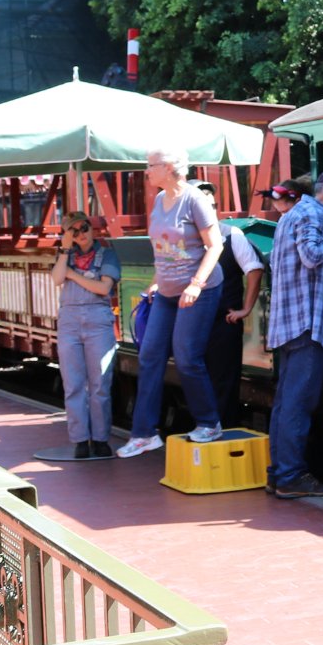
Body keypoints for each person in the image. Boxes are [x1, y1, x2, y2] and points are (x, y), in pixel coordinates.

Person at [117, 147, 227, 457]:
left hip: (199, 290)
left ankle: (209, 423)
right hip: (166, 292)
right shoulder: (158, 201)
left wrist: (196, 284)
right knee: (149, 355)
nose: (146, 171)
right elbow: (164, 248)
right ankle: (144, 434)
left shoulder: (195, 199)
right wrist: (156, 279)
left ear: (169, 168)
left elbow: (215, 245)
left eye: (150, 165)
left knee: (186, 357)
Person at [264, 169, 323, 498]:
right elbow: (312, 256)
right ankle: (290, 476)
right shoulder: (315, 214)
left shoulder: (294, 212)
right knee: (298, 403)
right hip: (305, 322)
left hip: (288, 322)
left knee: (286, 402)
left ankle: (279, 473)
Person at [195, 181, 266, 429]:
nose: (211, 210)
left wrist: (245, 309)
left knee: (222, 382)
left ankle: (221, 433)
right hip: (193, 321)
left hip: (222, 321)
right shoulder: (185, 240)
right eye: (204, 205)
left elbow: (254, 269)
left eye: (213, 205)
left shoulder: (231, 234)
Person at [50, 213, 119, 459]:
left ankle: (100, 438)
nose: (81, 234)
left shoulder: (107, 254)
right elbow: (57, 278)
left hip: (97, 321)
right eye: (74, 231)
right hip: (69, 322)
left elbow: (103, 288)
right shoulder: (65, 257)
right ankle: (80, 439)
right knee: (73, 383)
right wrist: (64, 251)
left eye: (84, 228)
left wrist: (73, 275)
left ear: (92, 229)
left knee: (100, 383)